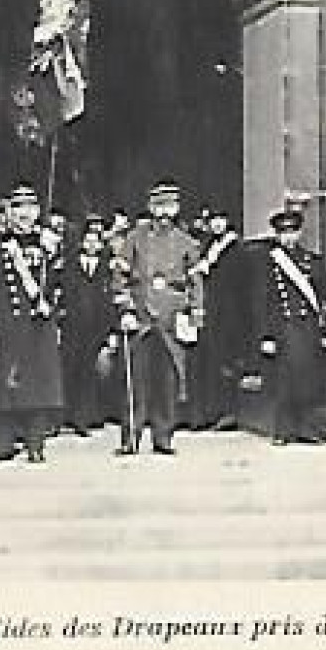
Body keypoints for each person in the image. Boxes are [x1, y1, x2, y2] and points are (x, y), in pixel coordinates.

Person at [0, 184, 65, 462]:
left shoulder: (49, 245)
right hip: (7, 326)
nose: (23, 214)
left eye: (28, 208)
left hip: (38, 325)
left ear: (37, 211)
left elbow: (61, 284)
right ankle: (3, 443)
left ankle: (36, 442)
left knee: (39, 385)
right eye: (17, 208)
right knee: (6, 384)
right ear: (9, 214)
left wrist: (53, 255)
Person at [110, 182, 203, 456]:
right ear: (150, 207)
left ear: (176, 209)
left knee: (168, 379)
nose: (164, 212)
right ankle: (131, 436)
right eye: (159, 205)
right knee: (135, 380)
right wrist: (125, 309)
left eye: (169, 205)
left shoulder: (188, 242)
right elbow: (119, 277)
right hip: (140, 316)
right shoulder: (134, 239)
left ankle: (163, 436)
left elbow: (195, 281)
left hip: (172, 317)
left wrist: (194, 314)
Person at [253, 208, 326, 445]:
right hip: (282, 328)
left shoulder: (312, 261)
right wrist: (265, 336)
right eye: (283, 233)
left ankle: (308, 428)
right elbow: (261, 302)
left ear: (299, 233)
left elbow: (325, 299)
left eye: (292, 232)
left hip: (307, 329)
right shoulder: (269, 265)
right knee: (284, 381)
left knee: (309, 380)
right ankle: (284, 430)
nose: (288, 237)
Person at [188, 208, 245, 430]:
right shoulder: (210, 246)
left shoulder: (236, 250)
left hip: (230, 314)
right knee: (210, 362)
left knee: (226, 363)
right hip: (212, 312)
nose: (217, 224)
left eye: (221, 219)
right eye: (213, 220)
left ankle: (229, 412)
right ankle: (211, 412)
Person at [59, 216, 114, 434]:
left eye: (96, 241)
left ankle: (87, 416)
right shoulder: (70, 265)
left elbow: (109, 298)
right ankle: (68, 415)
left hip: (96, 326)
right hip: (74, 325)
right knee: (71, 368)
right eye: (88, 241)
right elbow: (62, 292)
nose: (92, 245)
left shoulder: (106, 269)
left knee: (90, 372)